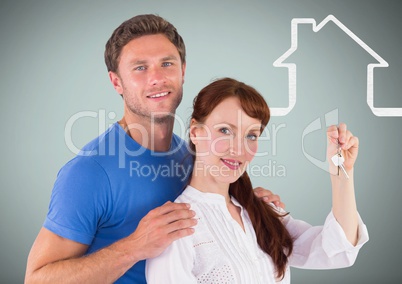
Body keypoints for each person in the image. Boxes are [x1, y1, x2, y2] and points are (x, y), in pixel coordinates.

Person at [24, 15, 283, 283]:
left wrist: (243, 204)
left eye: (167, 64)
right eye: (140, 68)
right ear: (116, 82)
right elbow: (36, 279)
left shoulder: (191, 154)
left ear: (182, 71)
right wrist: (134, 247)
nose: (157, 78)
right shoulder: (90, 172)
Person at [145, 77, 369, 283]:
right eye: (225, 130)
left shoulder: (262, 212)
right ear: (195, 132)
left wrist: (341, 171)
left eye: (251, 135)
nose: (239, 149)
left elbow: (338, 248)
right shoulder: (176, 227)